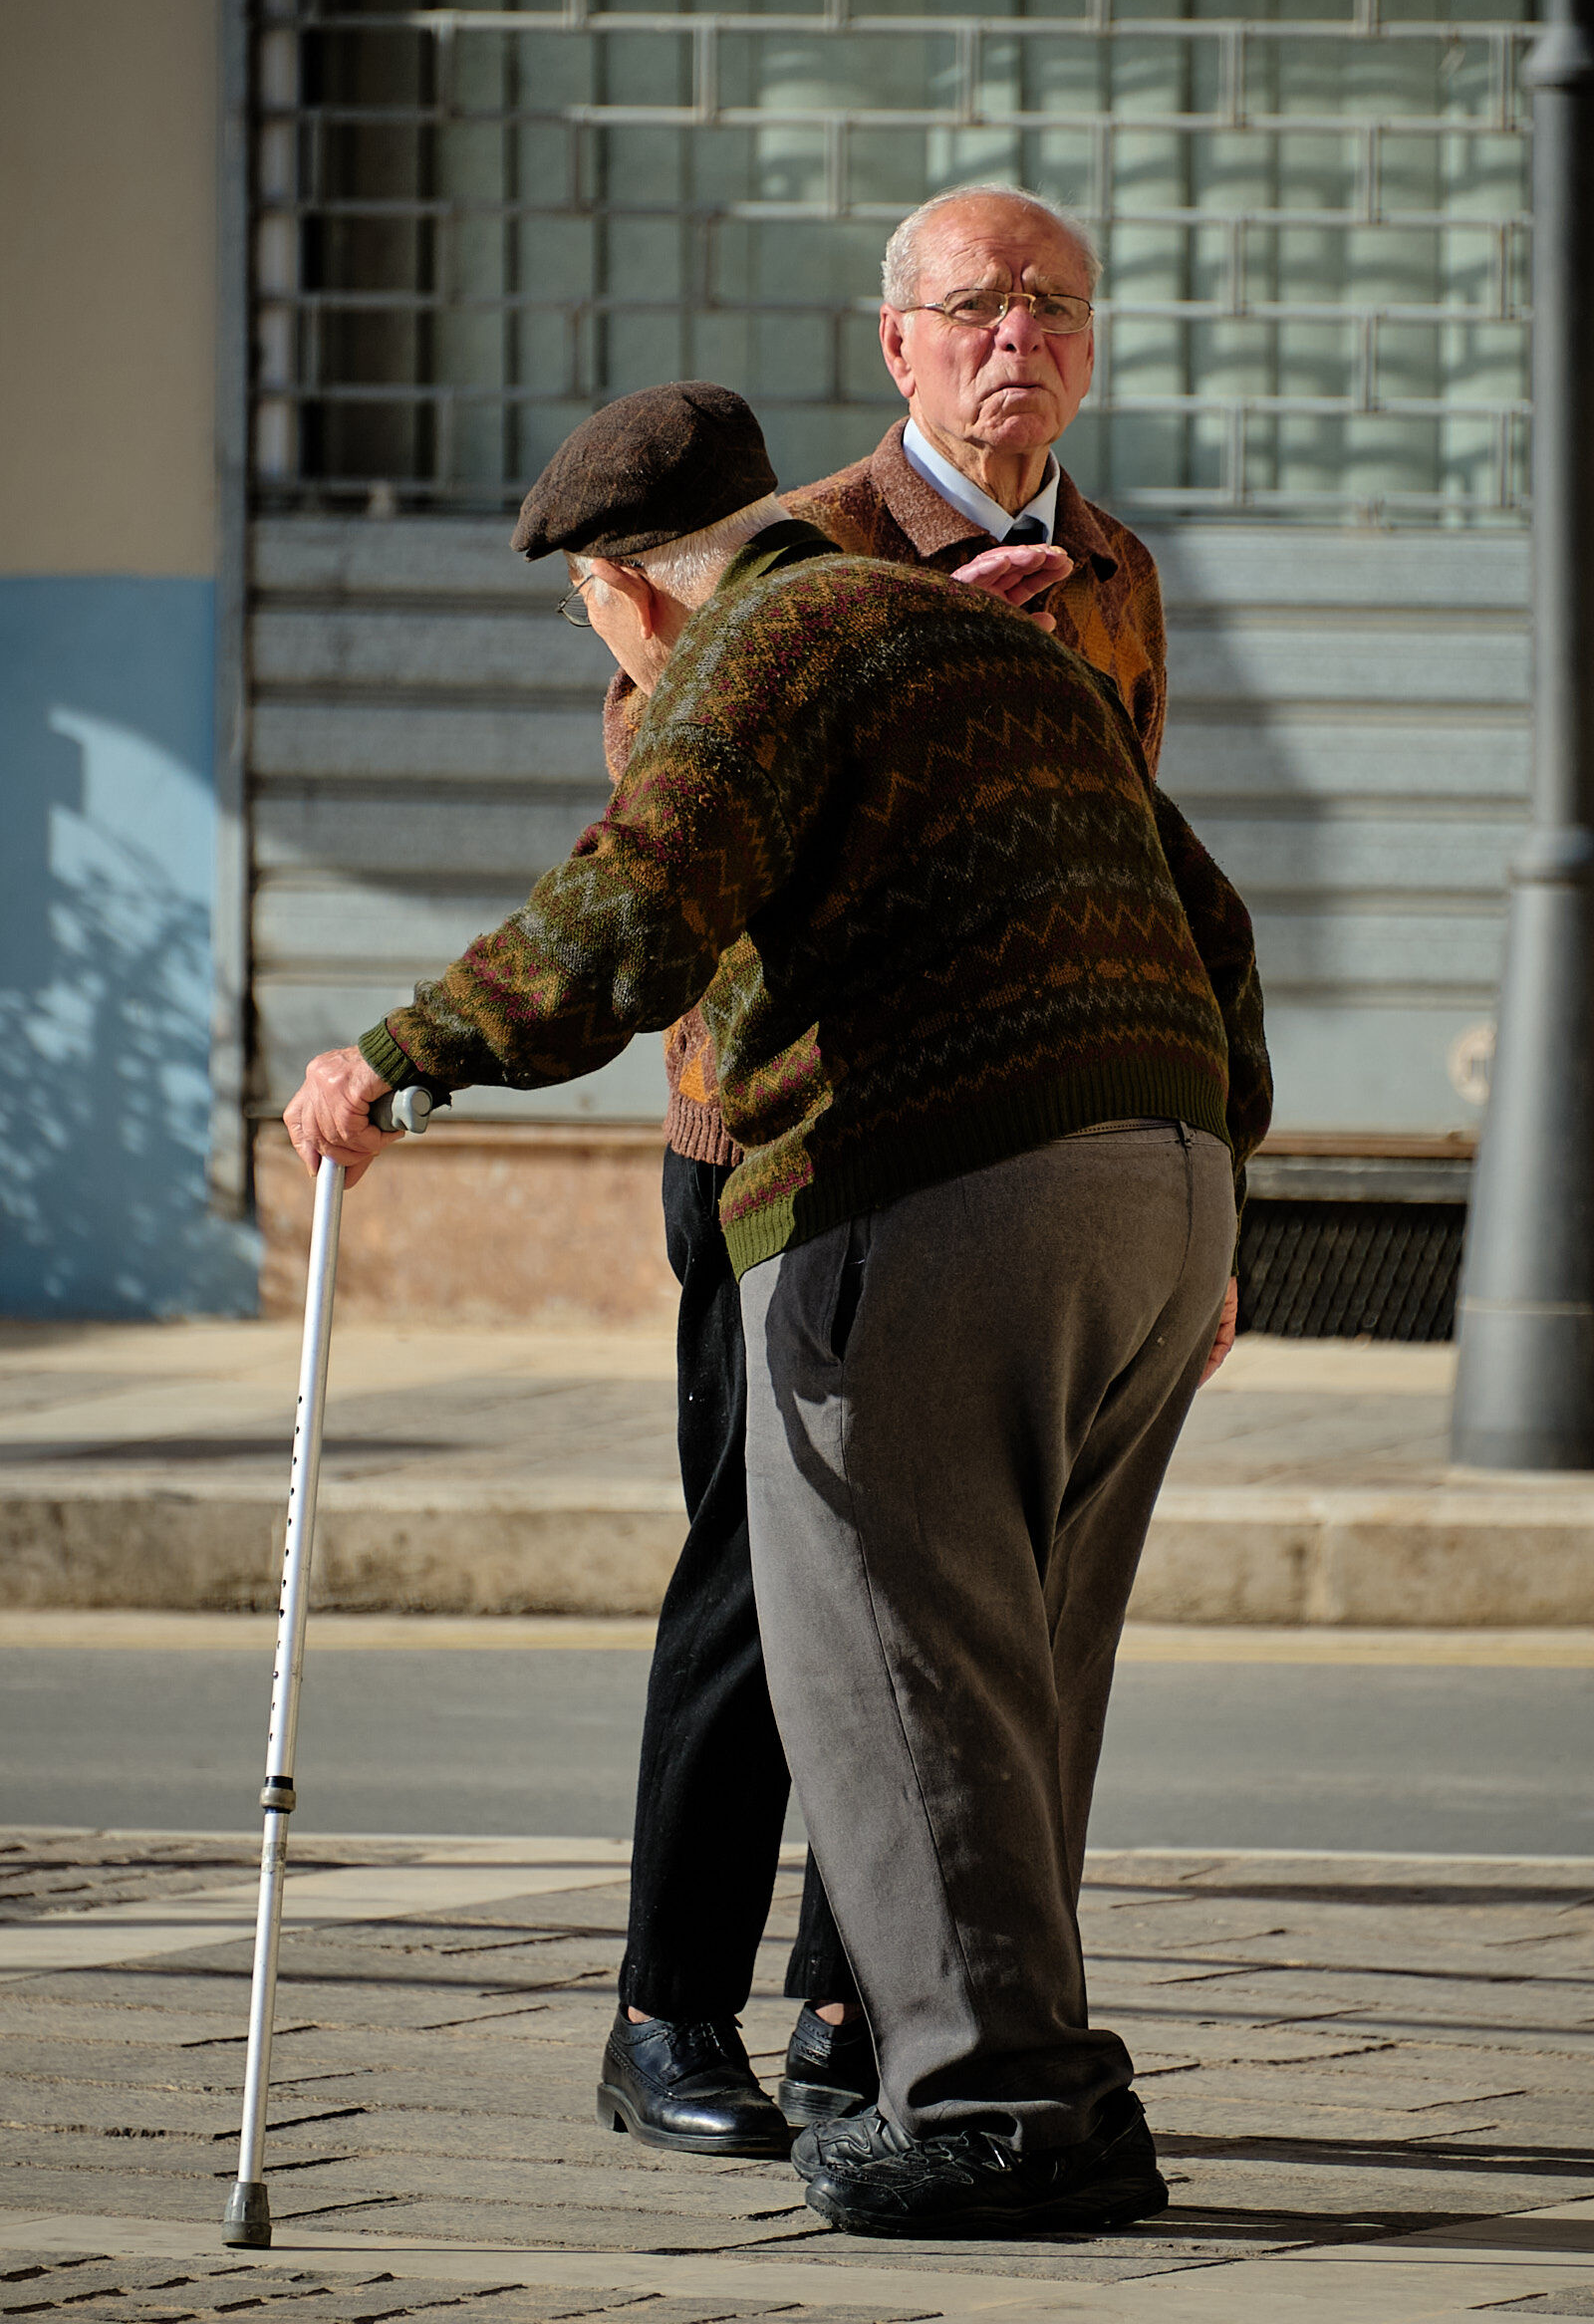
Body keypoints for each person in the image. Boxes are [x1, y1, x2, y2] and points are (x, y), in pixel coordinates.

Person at [286, 380, 1271, 2236]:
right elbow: (1214, 927)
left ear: (624, 587)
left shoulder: (762, 642)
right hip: (1160, 1180)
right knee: (1024, 1668)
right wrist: (1214, 1189)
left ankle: (990, 2113)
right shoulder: (988, 637)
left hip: (932, 1191)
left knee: (887, 1666)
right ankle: (1053, 2095)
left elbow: (636, 910)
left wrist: (397, 1061)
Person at [602, 183, 1237, 2156]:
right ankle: (666, 2014)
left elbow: (1137, 867)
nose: (1011, 339)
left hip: (1020, 1165)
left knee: (952, 1611)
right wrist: (914, 672)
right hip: (789, 1147)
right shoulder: (795, 548)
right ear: (896, 344)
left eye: (1051, 307)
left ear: (1090, 346)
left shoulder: (1114, 569)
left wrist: (1194, 1201)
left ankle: (852, 2010)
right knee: (762, 1587)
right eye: (971, 306)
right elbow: (659, 817)